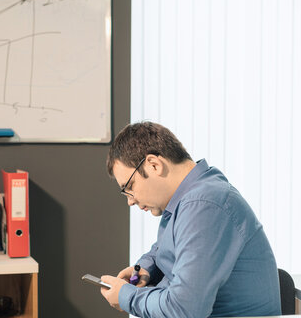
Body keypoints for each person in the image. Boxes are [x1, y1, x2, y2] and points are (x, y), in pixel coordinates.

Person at [100, 122, 281, 317]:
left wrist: (127, 296)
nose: (130, 201)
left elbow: (183, 309)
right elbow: (161, 250)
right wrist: (143, 269)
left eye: (129, 187)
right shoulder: (188, 200)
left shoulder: (204, 205)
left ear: (154, 165)